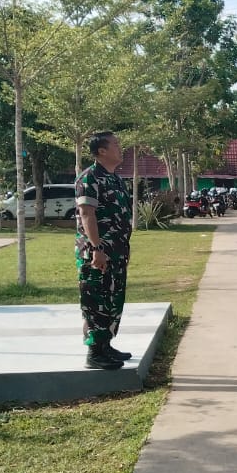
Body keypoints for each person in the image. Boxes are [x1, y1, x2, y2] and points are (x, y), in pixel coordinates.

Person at [74, 131, 134, 370]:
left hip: (117, 252)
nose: (121, 149)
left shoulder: (116, 180)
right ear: (102, 151)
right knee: (95, 299)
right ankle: (94, 352)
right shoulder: (89, 178)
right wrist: (96, 248)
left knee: (113, 299)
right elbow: (86, 214)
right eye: (116, 145)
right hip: (96, 253)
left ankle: (105, 345)